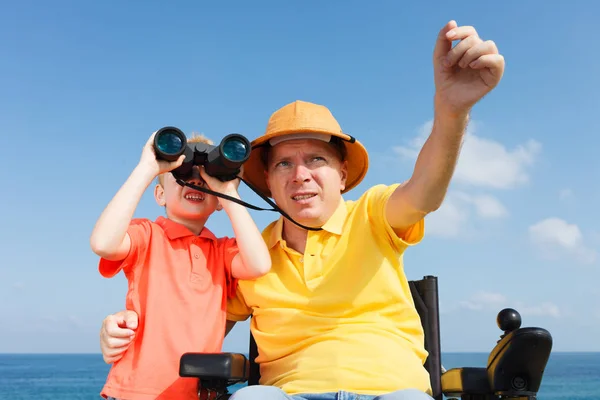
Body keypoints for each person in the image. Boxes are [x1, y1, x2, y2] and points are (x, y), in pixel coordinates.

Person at [98, 20, 505, 400]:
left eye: (316, 160)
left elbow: (425, 193)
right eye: (283, 164)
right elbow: (186, 321)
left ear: (343, 175)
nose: (300, 176)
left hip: (392, 389)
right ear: (269, 185)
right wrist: (119, 330)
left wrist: (452, 114)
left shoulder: (373, 214)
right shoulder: (247, 256)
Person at [90, 131, 271, 399]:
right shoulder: (147, 235)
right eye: (183, 175)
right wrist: (147, 169)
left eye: (206, 176)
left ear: (220, 202)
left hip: (197, 392)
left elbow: (259, 265)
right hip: (138, 390)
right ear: (160, 194)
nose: (196, 181)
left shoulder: (222, 250)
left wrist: (227, 191)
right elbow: (104, 243)